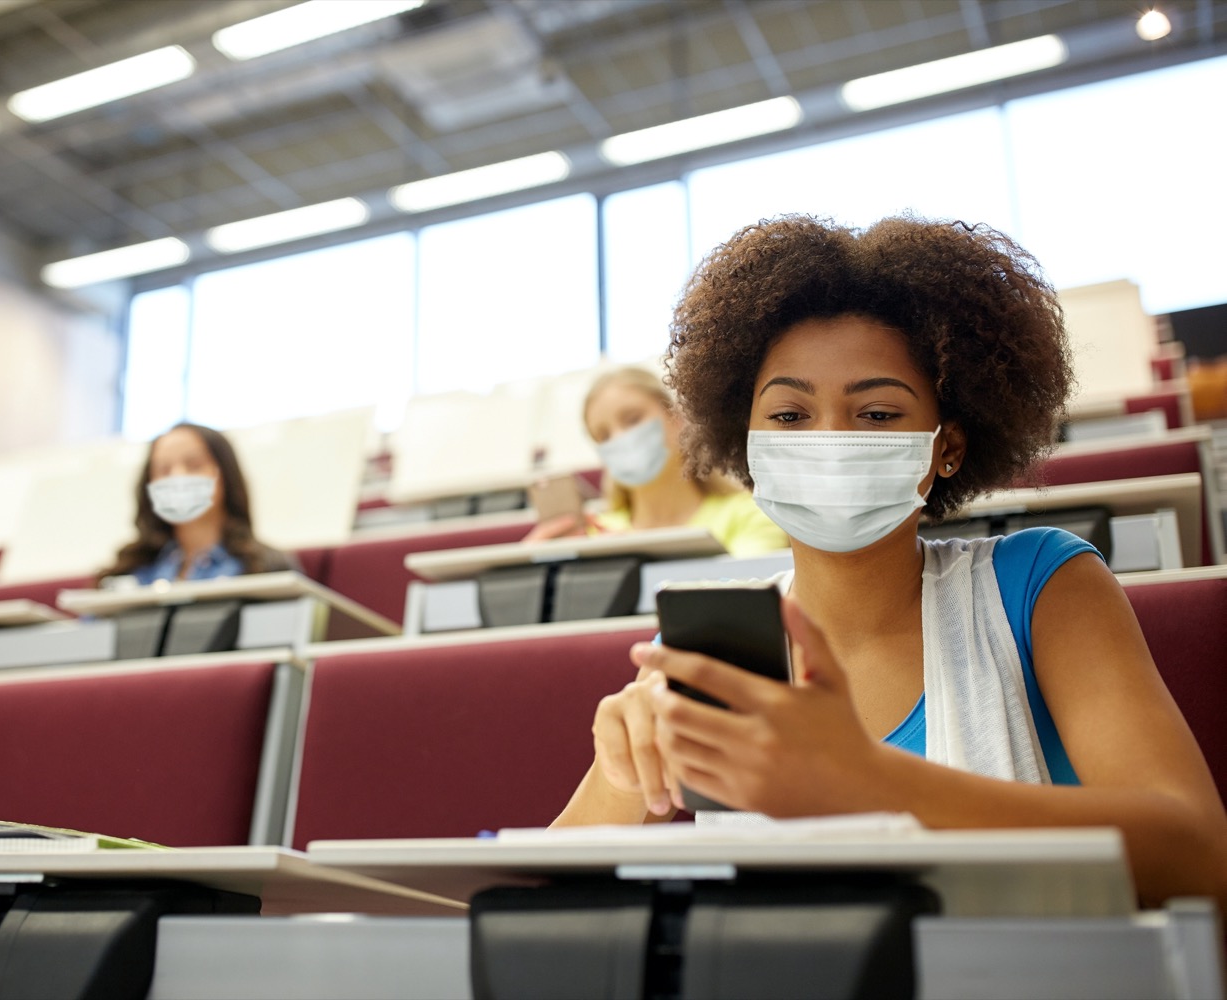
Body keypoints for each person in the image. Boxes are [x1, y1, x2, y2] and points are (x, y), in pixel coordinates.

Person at [552, 215, 1227, 910]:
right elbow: (543, 904)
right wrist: (622, 775)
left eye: (876, 414)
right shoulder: (708, 647)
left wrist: (865, 780)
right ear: (745, 441)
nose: (831, 440)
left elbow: (1199, 859)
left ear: (948, 447)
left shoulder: (1043, 585)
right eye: (789, 416)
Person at [526, 367, 788, 556]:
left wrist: (638, 556)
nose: (620, 439)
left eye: (633, 419)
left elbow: (747, 598)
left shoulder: (751, 515)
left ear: (676, 419)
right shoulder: (592, 537)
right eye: (603, 435)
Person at [99, 422, 292, 584]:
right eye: (164, 470)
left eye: (194, 465)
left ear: (225, 475)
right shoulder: (127, 574)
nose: (178, 477)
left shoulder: (266, 568)